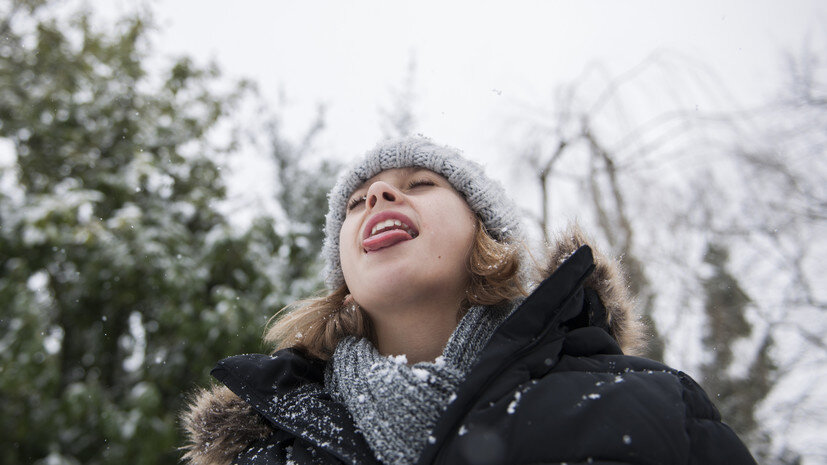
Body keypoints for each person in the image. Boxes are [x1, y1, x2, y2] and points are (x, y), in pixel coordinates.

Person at [180, 137, 756, 465]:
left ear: (487, 238)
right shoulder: (264, 456)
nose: (377, 195)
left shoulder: (647, 403)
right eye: (355, 204)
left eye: (421, 184)